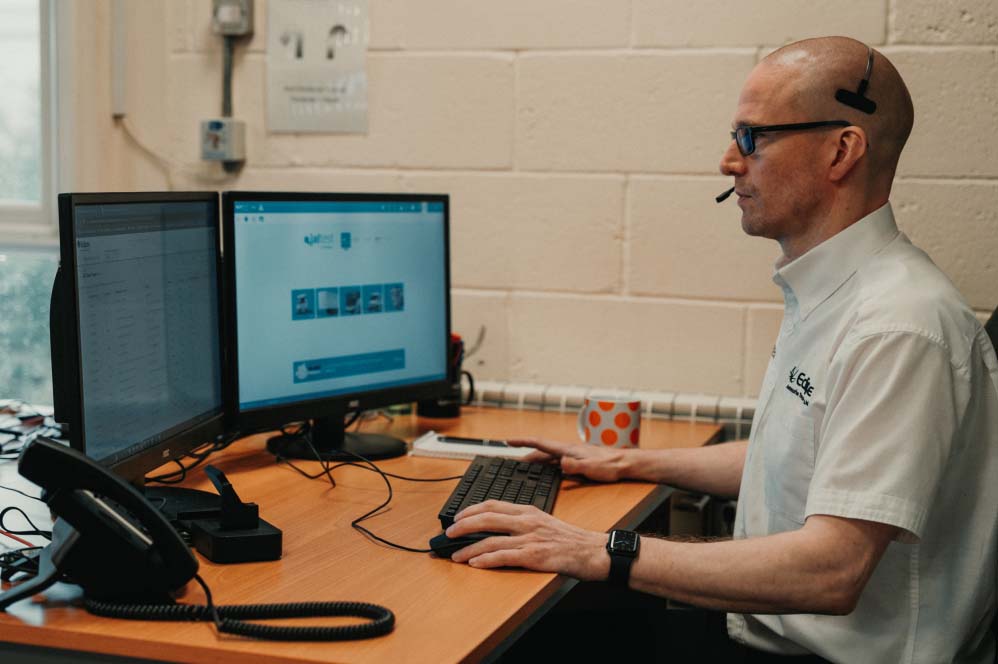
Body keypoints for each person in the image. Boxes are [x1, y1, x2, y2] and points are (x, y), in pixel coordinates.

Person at [445, 36, 998, 662]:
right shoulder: (840, 294)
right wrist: (626, 465)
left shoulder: (898, 325)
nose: (729, 162)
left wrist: (593, 549)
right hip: (770, 632)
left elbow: (833, 570)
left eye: (752, 138)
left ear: (842, 150)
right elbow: (801, 462)